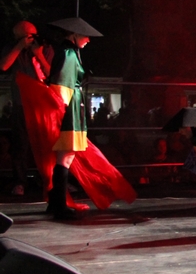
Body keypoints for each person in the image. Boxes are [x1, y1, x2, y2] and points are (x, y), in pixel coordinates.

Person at [18, 18, 135, 219]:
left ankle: (57, 202)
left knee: (65, 156)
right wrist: (61, 112)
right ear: (75, 35)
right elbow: (62, 87)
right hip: (69, 109)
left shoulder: (67, 52)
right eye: (85, 36)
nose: (88, 40)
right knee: (65, 156)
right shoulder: (69, 53)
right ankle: (58, 205)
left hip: (71, 107)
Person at [1, 21, 50, 197]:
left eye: (33, 36)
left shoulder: (45, 49)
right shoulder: (13, 49)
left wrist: (39, 54)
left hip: (42, 105)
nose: (31, 40)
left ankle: (46, 180)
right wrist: (18, 47)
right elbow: (3, 66)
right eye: (26, 37)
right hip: (21, 103)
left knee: (45, 145)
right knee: (20, 144)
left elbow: (52, 73)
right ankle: (20, 181)